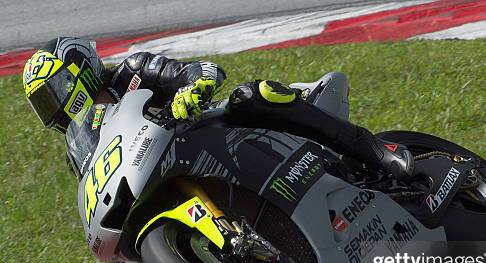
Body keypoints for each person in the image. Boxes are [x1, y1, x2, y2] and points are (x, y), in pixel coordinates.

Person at [22, 37, 413, 180]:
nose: (52, 107)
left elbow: (202, 70)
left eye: (52, 91)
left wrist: (193, 89)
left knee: (254, 95)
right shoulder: (79, 145)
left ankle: (375, 151)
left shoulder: (132, 71)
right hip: (168, 175)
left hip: (207, 131)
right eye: (43, 102)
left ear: (78, 70)